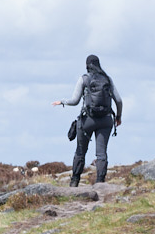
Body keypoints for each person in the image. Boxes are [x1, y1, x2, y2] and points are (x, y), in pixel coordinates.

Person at [52, 54, 123, 186]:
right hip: (106, 120)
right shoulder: (107, 79)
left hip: (87, 120)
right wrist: (118, 117)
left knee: (80, 151)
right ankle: (100, 183)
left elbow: (75, 101)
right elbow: (118, 100)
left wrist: (61, 101)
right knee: (101, 153)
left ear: (87, 65)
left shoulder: (84, 79)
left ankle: (74, 181)